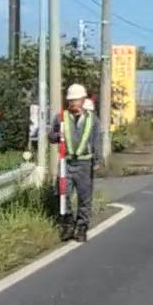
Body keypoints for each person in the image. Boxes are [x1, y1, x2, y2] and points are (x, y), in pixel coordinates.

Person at [49, 82, 99, 241]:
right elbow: (51, 136)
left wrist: (97, 160)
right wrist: (56, 137)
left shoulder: (92, 119)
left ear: (83, 100)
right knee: (64, 194)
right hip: (66, 163)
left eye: (76, 100)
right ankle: (67, 224)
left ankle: (82, 227)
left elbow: (97, 139)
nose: (73, 103)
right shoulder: (60, 118)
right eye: (71, 100)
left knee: (84, 197)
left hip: (85, 163)